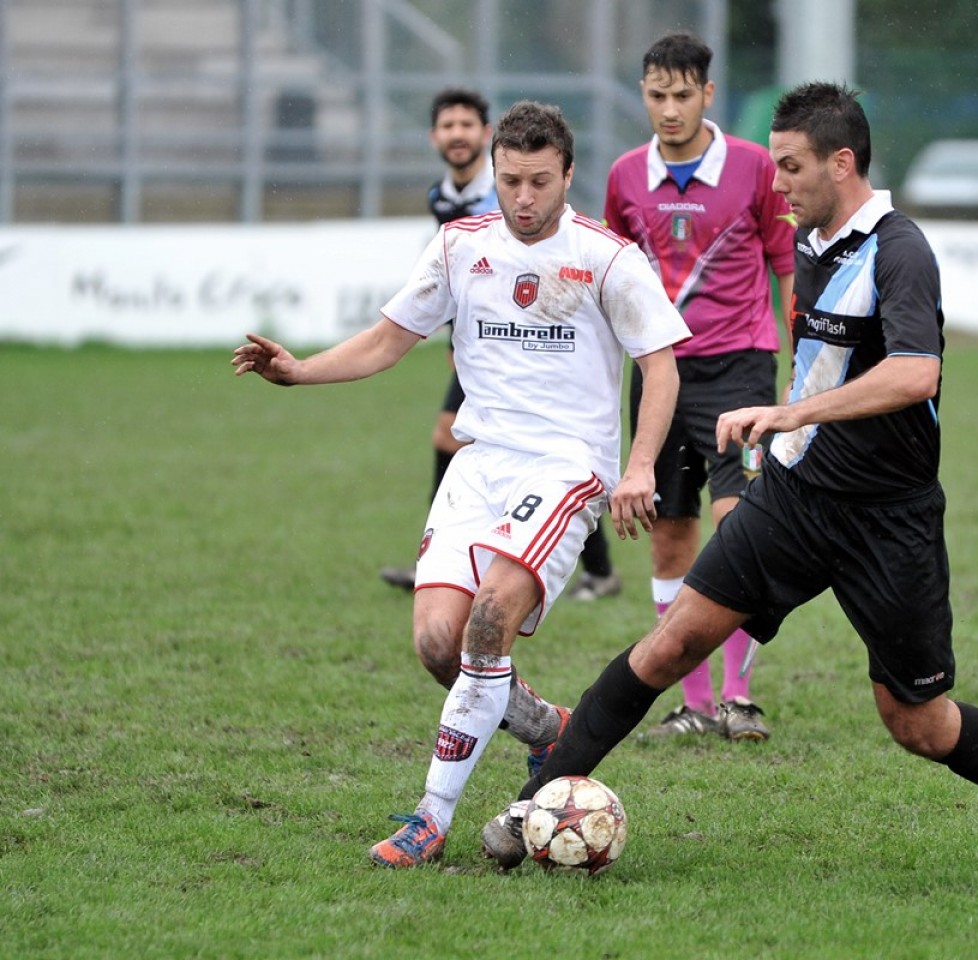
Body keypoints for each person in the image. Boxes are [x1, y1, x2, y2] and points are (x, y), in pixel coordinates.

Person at [481, 82, 978, 873]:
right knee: (670, 644)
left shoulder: (900, 251)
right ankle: (545, 793)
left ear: (841, 163)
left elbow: (915, 374)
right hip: (796, 498)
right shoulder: (809, 242)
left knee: (916, 721)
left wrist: (790, 414)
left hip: (889, 521)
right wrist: (785, 421)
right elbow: (823, 366)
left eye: (791, 166)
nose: (778, 183)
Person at [232, 100, 690, 869]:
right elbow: (388, 340)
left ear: (567, 176)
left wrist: (639, 464)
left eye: (539, 182)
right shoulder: (458, 246)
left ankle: (430, 817)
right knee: (439, 644)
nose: (522, 197)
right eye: (509, 180)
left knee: (487, 623)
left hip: (565, 465)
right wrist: (299, 371)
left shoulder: (608, 257)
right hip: (480, 465)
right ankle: (548, 729)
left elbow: (661, 364)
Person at [603, 31, 795, 742]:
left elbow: (786, 267)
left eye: (683, 94)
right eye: (657, 95)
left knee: (739, 527)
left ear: (708, 94)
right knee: (669, 537)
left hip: (742, 369)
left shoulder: (753, 168)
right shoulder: (625, 176)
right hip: (660, 375)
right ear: (644, 95)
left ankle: (740, 697)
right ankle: (695, 703)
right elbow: (615, 279)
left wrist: (800, 365)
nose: (670, 108)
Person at [379, 86, 622, 603]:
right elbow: (459, 279)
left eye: (467, 125)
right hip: (484, 345)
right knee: (456, 439)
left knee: (467, 438)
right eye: (448, 126)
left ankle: (591, 564)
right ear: (435, 137)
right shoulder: (442, 197)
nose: (457, 135)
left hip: (524, 348)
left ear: (485, 136)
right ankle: (445, 552)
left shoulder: (508, 203)